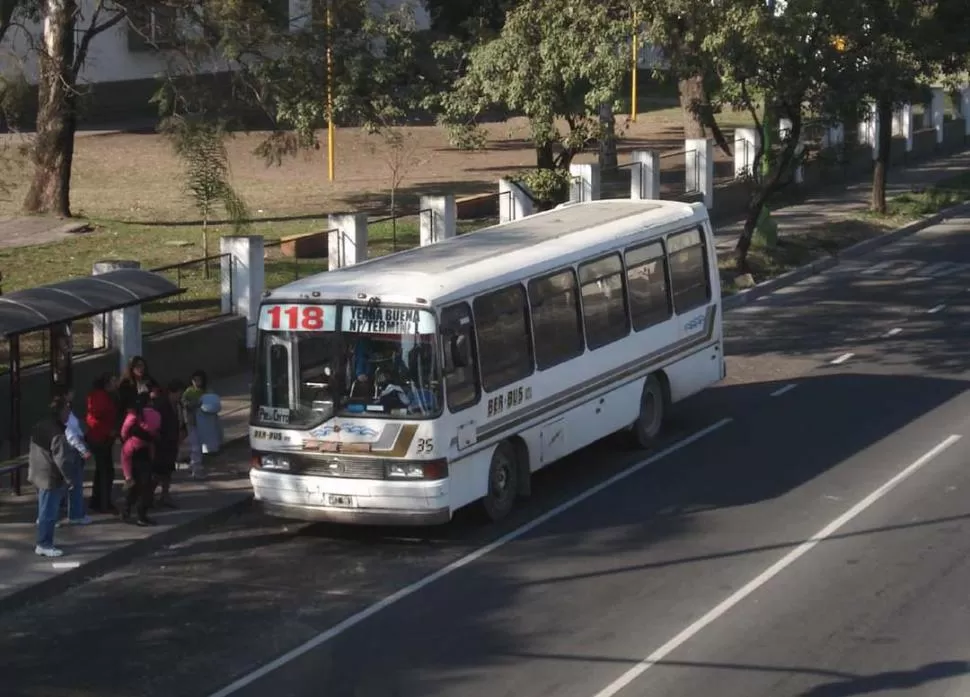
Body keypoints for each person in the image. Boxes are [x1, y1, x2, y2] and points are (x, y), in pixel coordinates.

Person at [28, 397, 73, 557]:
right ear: (61, 411)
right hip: (50, 476)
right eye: (67, 410)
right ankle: (44, 543)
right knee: (49, 512)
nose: (69, 414)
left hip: (38, 472)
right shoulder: (57, 433)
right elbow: (62, 460)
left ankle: (44, 541)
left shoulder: (41, 425)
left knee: (44, 511)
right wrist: (69, 479)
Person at [51, 384, 92, 526]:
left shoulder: (66, 411)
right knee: (70, 484)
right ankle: (60, 516)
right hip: (70, 451)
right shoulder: (64, 414)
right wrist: (83, 449)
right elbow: (71, 434)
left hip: (71, 449)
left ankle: (73, 514)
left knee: (70, 485)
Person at [120, 392, 160, 526]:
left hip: (132, 449)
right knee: (145, 485)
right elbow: (156, 430)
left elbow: (124, 430)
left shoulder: (134, 415)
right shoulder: (155, 414)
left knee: (134, 484)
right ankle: (141, 515)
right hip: (146, 452)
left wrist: (126, 439)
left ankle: (126, 510)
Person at [86, 372, 119, 514]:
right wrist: (108, 431)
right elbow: (94, 417)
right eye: (112, 382)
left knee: (102, 471)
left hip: (101, 437)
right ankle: (103, 503)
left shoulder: (101, 395)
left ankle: (98, 501)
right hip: (100, 438)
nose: (115, 384)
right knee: (106, 472)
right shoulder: (100, 397)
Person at [150, 379, 184, 509]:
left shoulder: (177, 405)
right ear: (172, 392)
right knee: (158, 473)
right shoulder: (160, 405)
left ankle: (165, 495)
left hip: (171, 443)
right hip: (161, 444)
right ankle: (149, 496)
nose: (180, 396)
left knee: (168, 472)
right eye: (179, 393)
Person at [181, 370, 208, 480]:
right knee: (196, 446)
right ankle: (196, 469)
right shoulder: (189, 391)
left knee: (199, 446)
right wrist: (191, 404)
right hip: (192, 422)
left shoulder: (205, 392)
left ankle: (193, 464)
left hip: (203, 422)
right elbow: (183, 401)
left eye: (199, 380)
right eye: (194, 380)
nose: (196, 382)